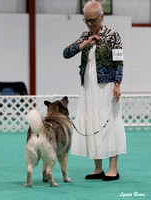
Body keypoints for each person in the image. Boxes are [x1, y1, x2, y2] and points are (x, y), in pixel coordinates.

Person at [63, 0, 126, 181]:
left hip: (107, 86)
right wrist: (85, 44)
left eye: (92, 20)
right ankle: (98, 168)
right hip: (88, 86)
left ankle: (113, 168)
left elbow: (119, 62)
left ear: (102, 17)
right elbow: (66, 53)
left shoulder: (113, 35)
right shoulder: (85, 36)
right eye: (86, 20)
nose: (90, 24)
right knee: (92, 122)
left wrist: (117, 84)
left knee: (110, 122)